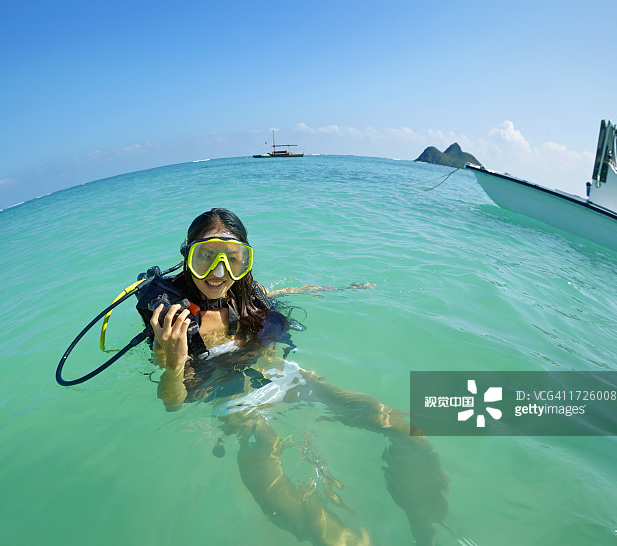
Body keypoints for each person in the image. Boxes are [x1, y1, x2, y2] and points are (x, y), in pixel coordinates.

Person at [148, 208, 449, 546]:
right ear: (188, 255)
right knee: (266, 442)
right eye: (206, 256)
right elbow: (173, 403)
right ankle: (333, 537)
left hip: (279, 374)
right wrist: (174, 363)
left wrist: (338, 289)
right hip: (231, 397)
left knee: (403, 426)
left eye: (233, 258)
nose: (220, 272)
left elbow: (283, 290)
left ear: (244, 260)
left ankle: (428, 522)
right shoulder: (172, 320)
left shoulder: (245, 291)